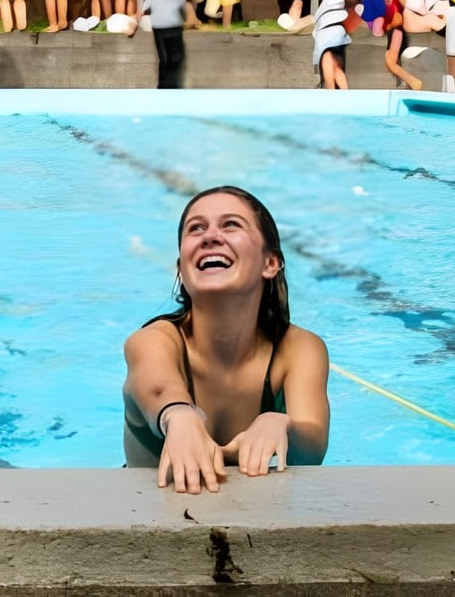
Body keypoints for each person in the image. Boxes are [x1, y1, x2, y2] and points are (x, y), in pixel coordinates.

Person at [122, 186, 330, 494]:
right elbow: (158, 385)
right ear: (182, 268)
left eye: (231, 224)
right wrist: (179, 415)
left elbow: (313, 447)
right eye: (196, 228)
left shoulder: (297, 349)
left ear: (269, 263)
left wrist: (281, 423)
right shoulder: (154, 340)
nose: (210, 236)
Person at [141, 0, 200, 89]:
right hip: (164, 31)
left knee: (170, 59)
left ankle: (168, 86)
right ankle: (166, 86)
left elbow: (146, 10)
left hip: (169, 31)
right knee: (168, 59)